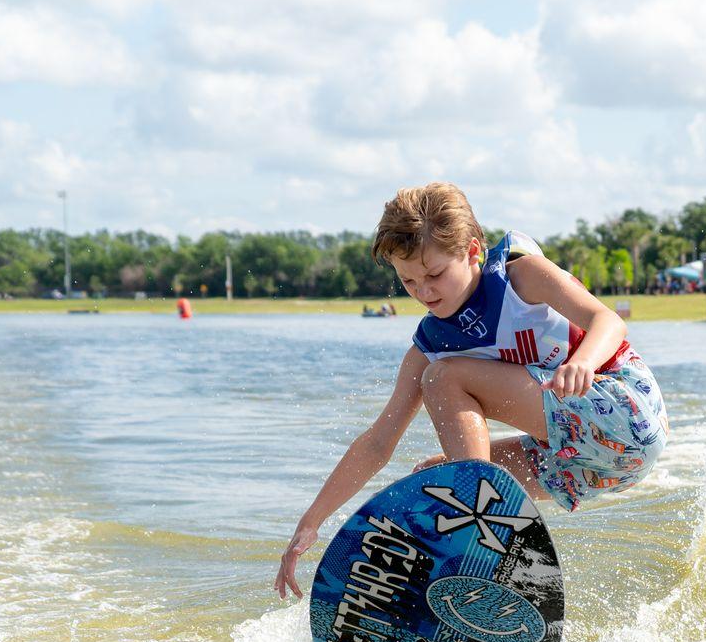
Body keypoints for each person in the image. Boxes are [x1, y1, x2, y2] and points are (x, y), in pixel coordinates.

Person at [274, 182, 668, 599]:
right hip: (584, 465)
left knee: (442, 379)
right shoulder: (430, 345)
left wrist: (583, 361)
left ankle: (482, 550)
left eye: (435, 274)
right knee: (432, 480)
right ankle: (443, 588)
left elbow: (608, 321)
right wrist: (312, 521)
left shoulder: (522, 277)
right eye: (408, 281)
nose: (424, 292)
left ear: (473, 251)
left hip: (626, 414)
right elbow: (377, 443)